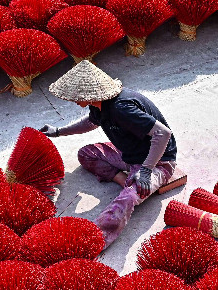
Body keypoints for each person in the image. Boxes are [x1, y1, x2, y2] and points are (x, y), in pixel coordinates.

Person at [40, 60, 177, 246]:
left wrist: (145, 171)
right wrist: (58, 131)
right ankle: (125, 180)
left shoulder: (121, 108)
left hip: (158, 161)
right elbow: (90, 122)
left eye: (74, 96)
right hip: (129, 153)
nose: (72, 100)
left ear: (88, 94)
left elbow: (163, 133)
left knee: (128, 198)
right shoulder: (99, 105)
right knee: (86, 154)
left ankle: (95, 240)